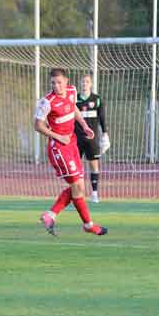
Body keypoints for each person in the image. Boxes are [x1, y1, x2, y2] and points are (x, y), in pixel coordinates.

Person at [35, 68, 107, 237]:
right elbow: (38, 126)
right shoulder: (46, 102)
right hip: (59, 148)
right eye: (53, 83)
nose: (56, 86)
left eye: (59, 82)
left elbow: (73, 108)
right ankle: (88, 224)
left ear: (66, 82)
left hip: (72, 143)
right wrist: (57, 136)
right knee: (77, 186)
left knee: (79, 187)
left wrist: (84, 125)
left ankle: (50, 215)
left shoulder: (72, 91)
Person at [75, 74, 109, 203]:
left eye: (87, 82)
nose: (85, 84)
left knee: (94, 166)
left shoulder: (97, 99)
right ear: (80, 84)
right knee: (76, 169)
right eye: (83, 82)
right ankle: (77, 195)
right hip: (77, 138)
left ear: (91, 84)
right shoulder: (75, 99)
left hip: (92, 139)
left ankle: (94, 193)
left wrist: (105, 133)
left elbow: (102, 118)